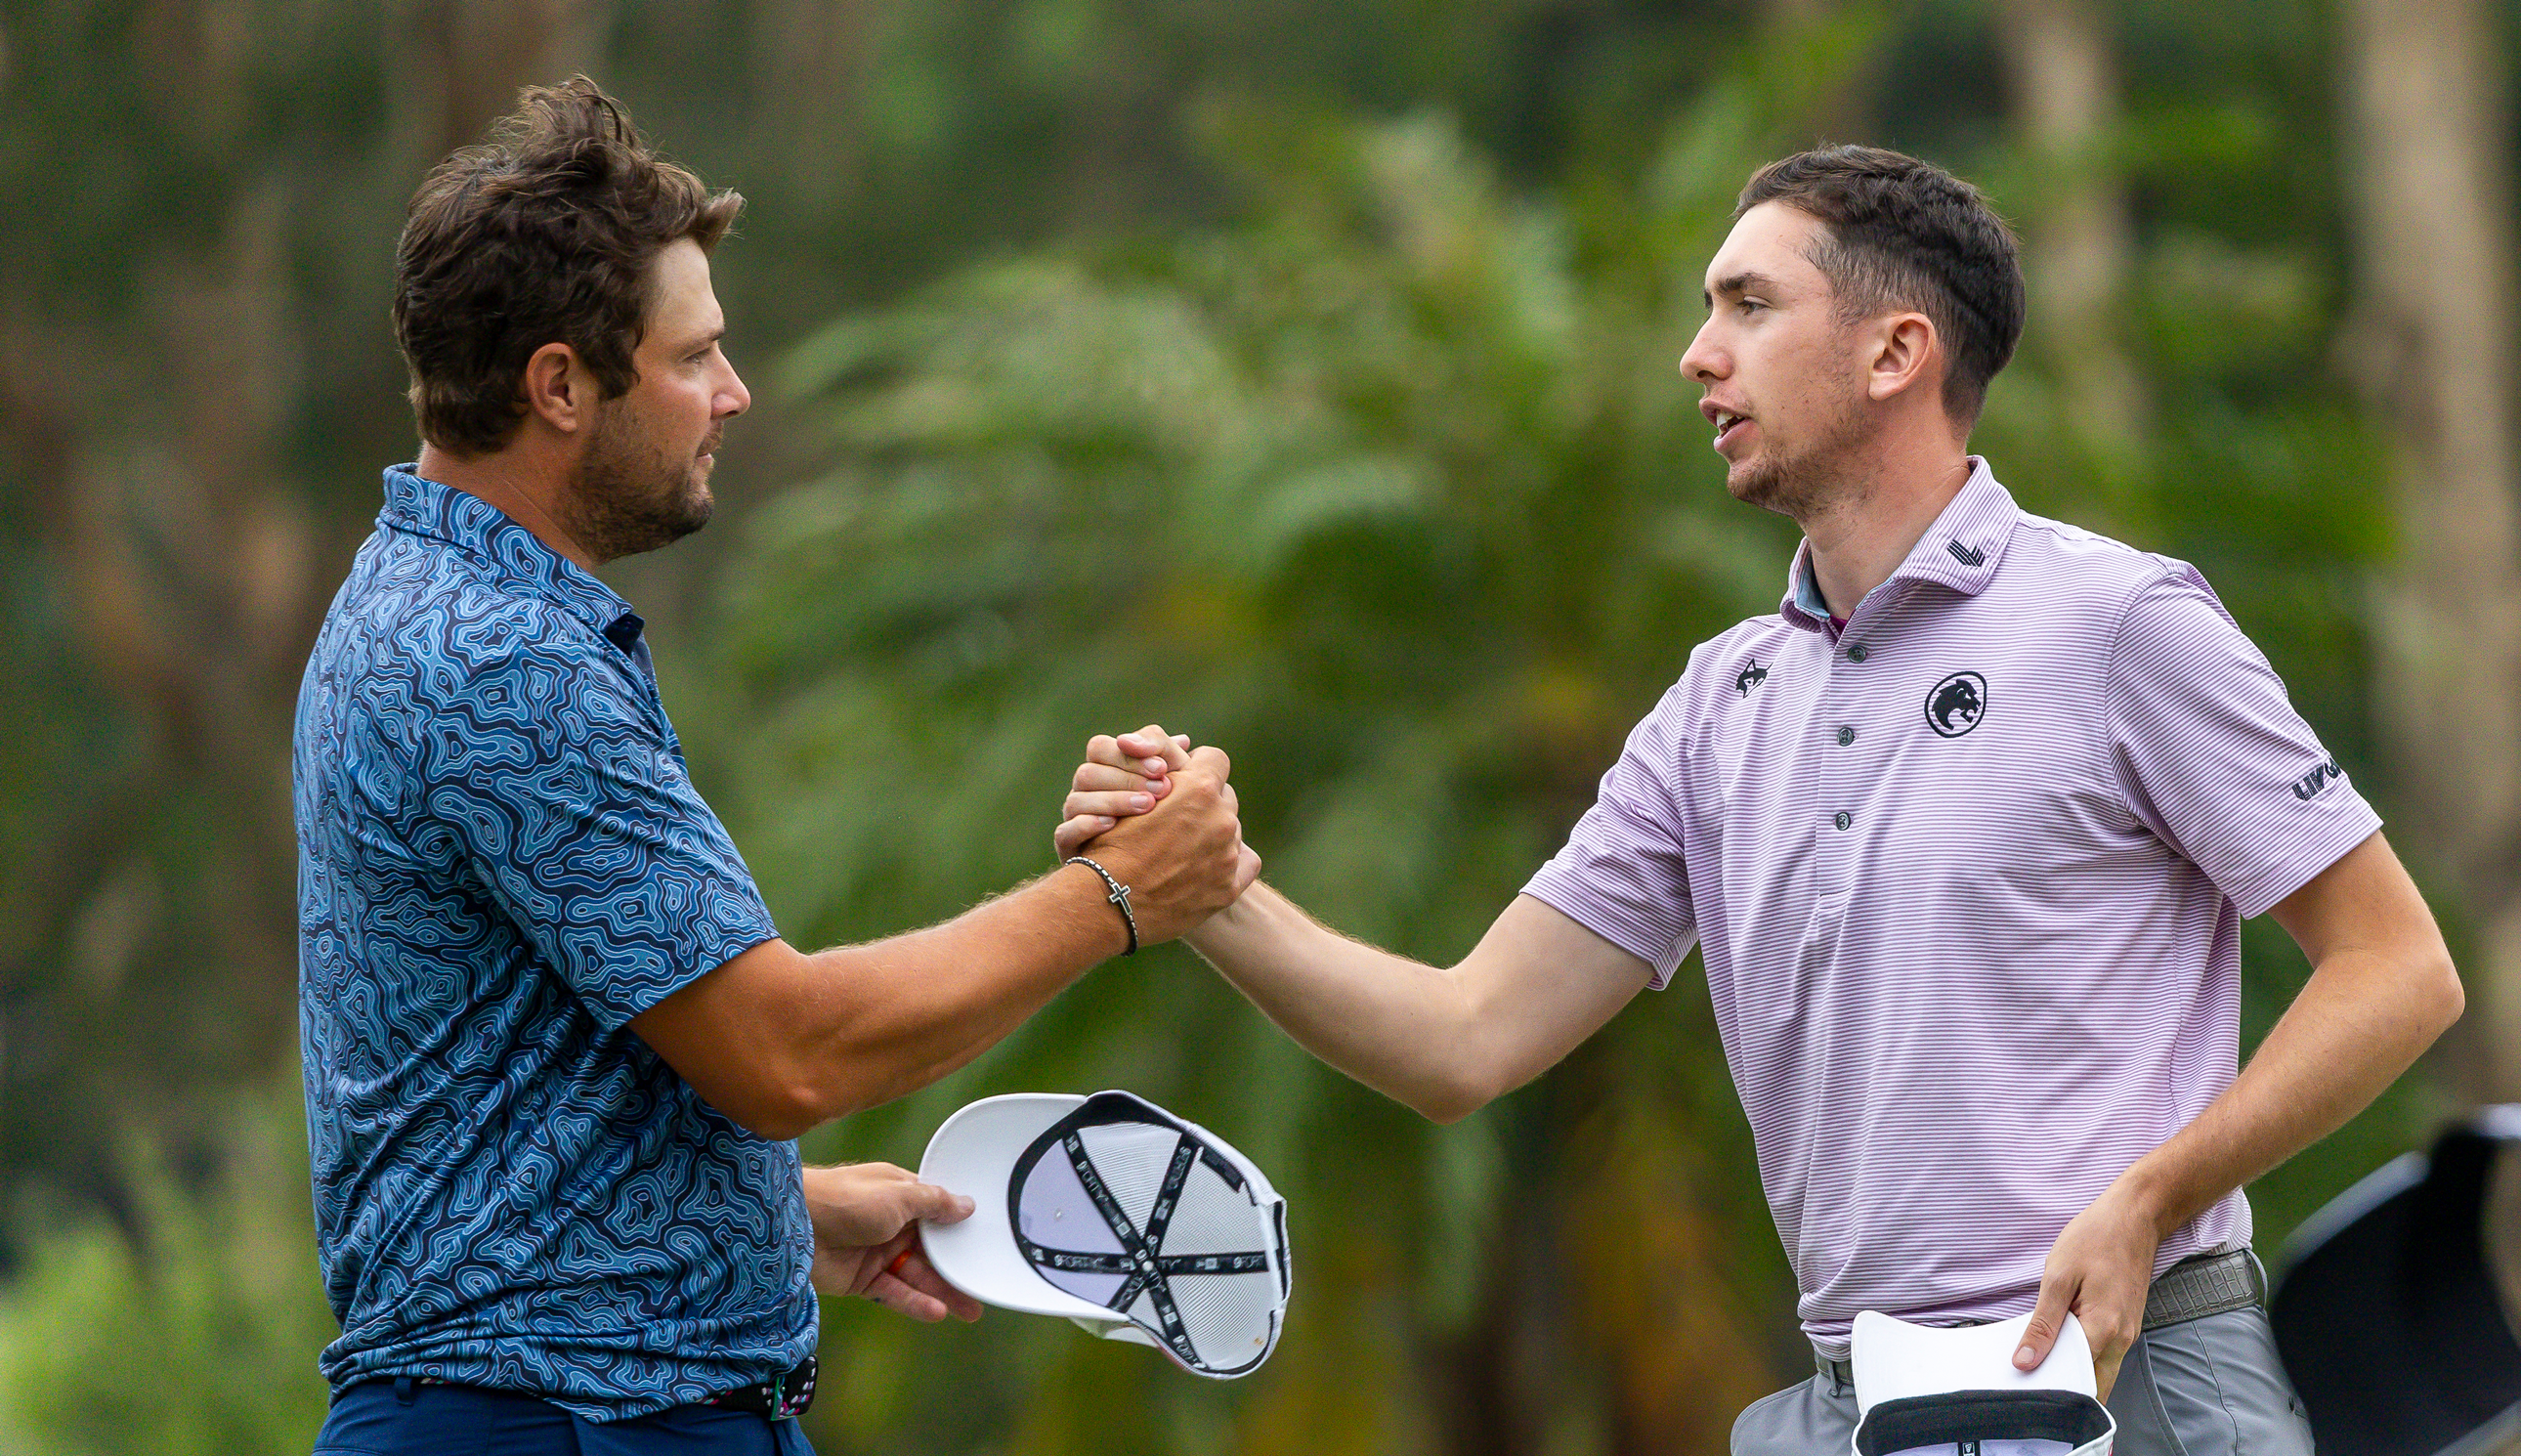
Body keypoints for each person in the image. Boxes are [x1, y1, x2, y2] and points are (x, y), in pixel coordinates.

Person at [1057, 146, 2465, 1454]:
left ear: (1895, 352)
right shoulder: (1717, 705)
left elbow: (2398, 968)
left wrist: (2152, 1194)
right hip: (1847, 1407)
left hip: (2134, 1378)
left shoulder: (2120, 623)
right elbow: (1462, 1038)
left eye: (1746, 303)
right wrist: (1200, 887)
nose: (1698, 353)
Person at [293, 77, 1251, 1455]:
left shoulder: (424, 597)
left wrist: (768, 1217)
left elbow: (499, 1091)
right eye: (694, 360)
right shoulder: (497, 659)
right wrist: (1117, 893)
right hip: (563, 1427)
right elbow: (784, 1052)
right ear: (559, 384)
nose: (734, 394)